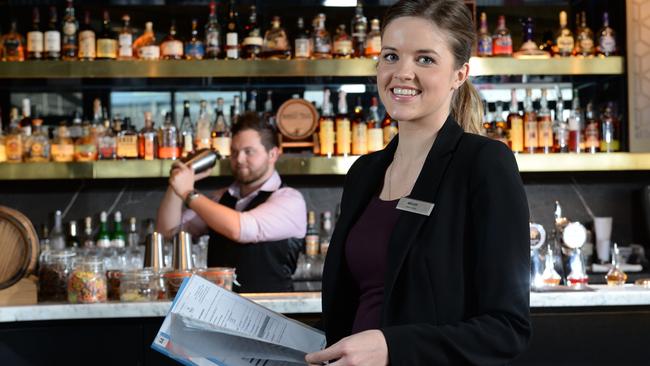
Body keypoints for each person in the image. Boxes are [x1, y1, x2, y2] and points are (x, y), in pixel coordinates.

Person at [305, 0, 531, 364]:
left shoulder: (483, 163)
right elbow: (358, 307)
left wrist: (393, 348)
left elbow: (506, 329)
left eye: (425, 59)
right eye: (391, 56)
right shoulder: (364, 173)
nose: (401, 73)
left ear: (460, 74)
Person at [156, 112, 306, 293]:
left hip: (270, 312)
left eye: (248, 151)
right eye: (234, 152)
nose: (239, 159)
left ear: (272, 154)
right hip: (220, 314)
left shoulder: (289, 200)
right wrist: (176, 184)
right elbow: (169, 232)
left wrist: (188, 193)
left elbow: (241, 228)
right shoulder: (220, 199)